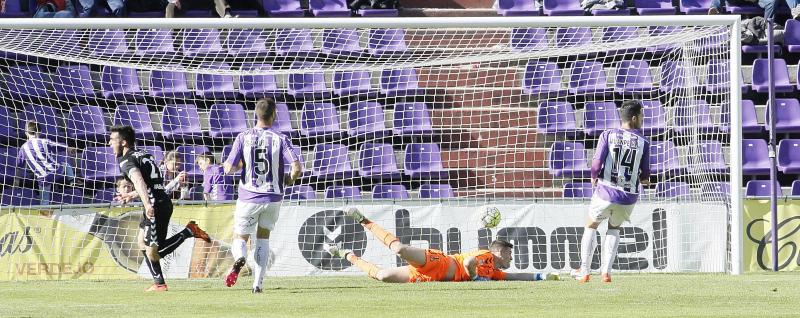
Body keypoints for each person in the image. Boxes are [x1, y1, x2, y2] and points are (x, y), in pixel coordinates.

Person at [325, 207, 559, 283]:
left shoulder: (496, 272)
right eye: (509, 253)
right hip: (440, 262)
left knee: (384, 276)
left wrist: (541, 276)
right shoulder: (486, 256)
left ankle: (346, 255)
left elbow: (517, 277)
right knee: (399, 249)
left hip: (429, 277)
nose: (511, 258)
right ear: (498, 251)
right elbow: (467, 262)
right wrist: (475, 278)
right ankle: (364, 220)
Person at [109, 125, 212, 292]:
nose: (109, 143)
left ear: (124, 142)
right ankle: (159, 283)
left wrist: (148, 204)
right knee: (142, 243)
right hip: (159, 201)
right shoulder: (144, 154)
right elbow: (152, 185)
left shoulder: (126, 160)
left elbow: (140, 182)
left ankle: (189, 231)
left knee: (153, 253)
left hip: (155, 206)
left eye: (113, 140)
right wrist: (132, 195)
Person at [222, 98, 302, 293]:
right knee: (263, 238)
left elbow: (228, 169)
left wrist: (241, 165)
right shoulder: (281, 138)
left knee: (240, 237)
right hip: (273, 197)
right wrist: (288, 180)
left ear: (255, 115)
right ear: (274, 114)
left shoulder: (243, 137)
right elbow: (297, 168)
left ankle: (240, 258)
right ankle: (257, 284)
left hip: (249, 196)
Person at [572, 100, 651, 283]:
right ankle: (606, 272)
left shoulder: (608, 135)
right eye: (641, 116)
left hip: (606, 191)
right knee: (614, 228)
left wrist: (593, 176)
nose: (642, 119)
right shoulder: (644, 142)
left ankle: (584, 271)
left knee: (591, 225)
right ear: (634, 118)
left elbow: (597, 161)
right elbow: (645, 174)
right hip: (628, 198)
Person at [17, 121, 77, 205]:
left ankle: (44, 212)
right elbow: (59, 145)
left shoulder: (23, 148)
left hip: (43, 178)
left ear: (26, 132)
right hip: (56, 171)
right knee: (65, 165)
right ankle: (72, 180)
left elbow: (19, 165)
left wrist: (16, 179)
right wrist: (69, 148)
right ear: (40, 132)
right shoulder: (44, 141)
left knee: (44, 199)